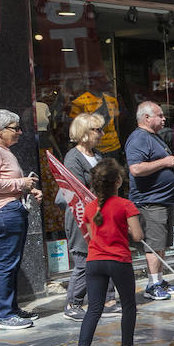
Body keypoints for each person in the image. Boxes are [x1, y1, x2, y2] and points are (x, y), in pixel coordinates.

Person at [72, 159, 146, 346]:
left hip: (94, 262)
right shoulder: (126, 205)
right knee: (128, 305)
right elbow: (138, 235)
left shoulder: (89, 207)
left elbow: (92, 237)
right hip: (119, 261)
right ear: (118, 181)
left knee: (94, 308)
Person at [60, 112, 118, 321]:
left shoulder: (98, 155)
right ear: (84, 132)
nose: (102, 134)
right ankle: (73, 303)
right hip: (82, 217)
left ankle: (108, 300)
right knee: (84, 260)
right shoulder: (73, 157)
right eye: (97, 130)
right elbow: (78, 189)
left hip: (102, 213)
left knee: (108, 256)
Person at [0, 110, 41, 330]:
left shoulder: (1, 149)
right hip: (2, 213)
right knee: (4, 265)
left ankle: (10, 309)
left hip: (9, 210)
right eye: (14, 128)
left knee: (10, 263)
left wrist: (28, 190)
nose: (20, 132)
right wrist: (20, 184)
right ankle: (2, 315)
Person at [125, 102, 174, 301]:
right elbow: (136, 169)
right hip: (150, 202)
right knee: (153, 245)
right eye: (159, 115)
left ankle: (159, 280)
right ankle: (152, 285)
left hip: (163, 200)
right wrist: (164, 162)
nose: (164, 118)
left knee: (161, 245)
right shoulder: (139, 138)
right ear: (146, 118)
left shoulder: (153, 137)